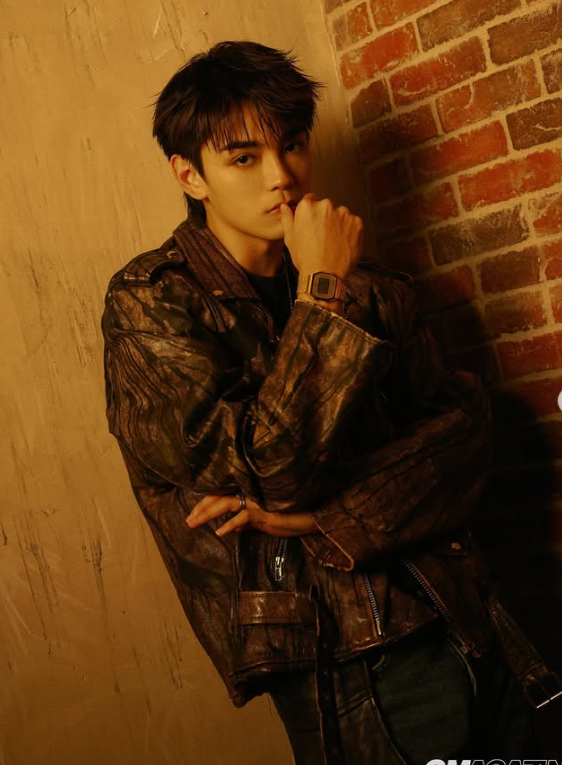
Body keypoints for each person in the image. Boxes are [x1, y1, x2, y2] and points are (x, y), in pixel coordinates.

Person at [101, 41, 558, 765]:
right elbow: (274, 471)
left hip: (470, 612)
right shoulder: (150, 304)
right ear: (190, 175)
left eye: (292, 146)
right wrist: (322, 291)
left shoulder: (370, 283)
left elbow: (464, 438)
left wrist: (326, 517)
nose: (281, 177)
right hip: (347, 662)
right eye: (244, 158)